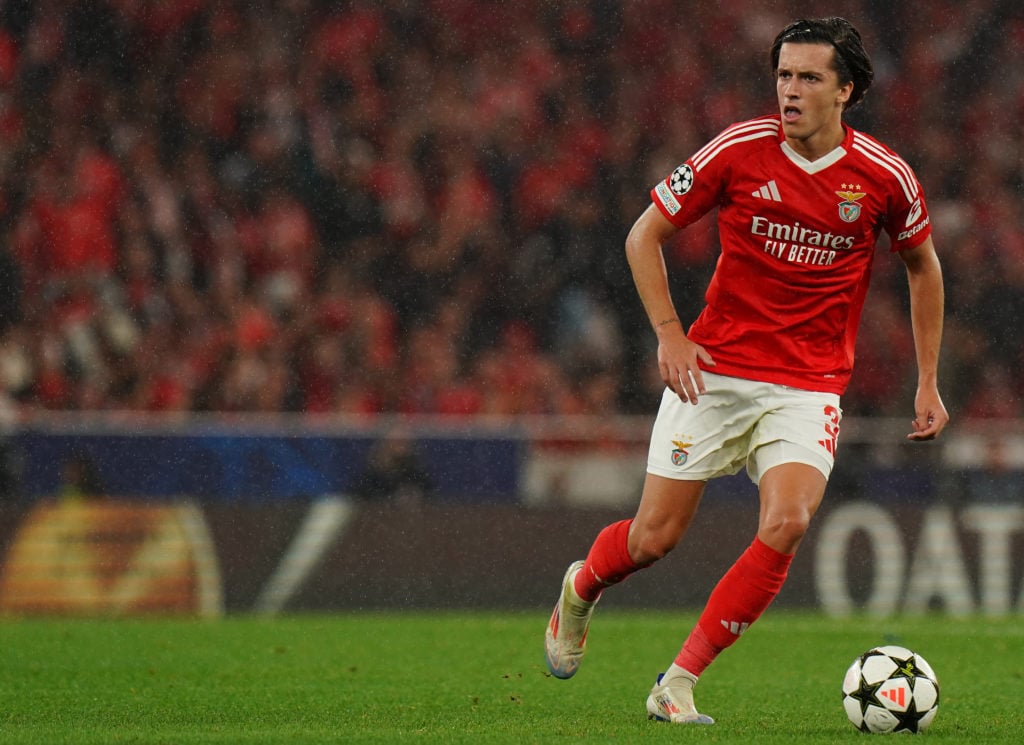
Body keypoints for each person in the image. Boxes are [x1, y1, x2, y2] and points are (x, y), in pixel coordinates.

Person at [543, 17, 948, 725]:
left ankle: (677, 682)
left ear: (845, 90)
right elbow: (645, 234)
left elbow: (924, 267)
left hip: (808, 383)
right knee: (652, 539)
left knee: (787, 521)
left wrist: (927, 379)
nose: (790, 91)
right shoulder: (739, 149)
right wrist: (670, 334)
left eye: (809, 78)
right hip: (716, 372)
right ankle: (582, 583)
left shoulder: (884, 176)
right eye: (784, 76)